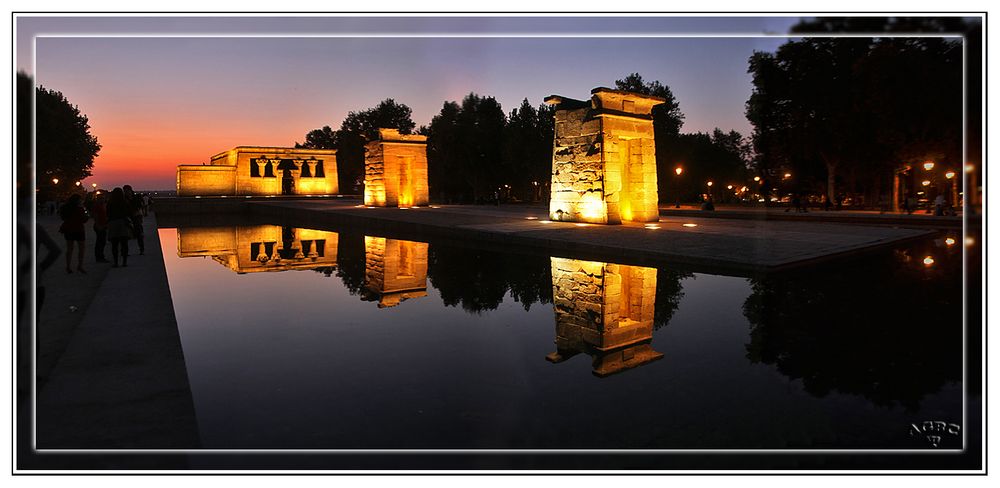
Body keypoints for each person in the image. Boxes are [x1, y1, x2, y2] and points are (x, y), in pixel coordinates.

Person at [58, 194, 88, 273]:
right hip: (79, 229)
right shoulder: (80, 209)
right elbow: (84, 220)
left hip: (68, 229)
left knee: (69, 249)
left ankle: (68, 266)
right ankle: (80, 266)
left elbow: (63, 218)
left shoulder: (65, 208)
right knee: (81, 248)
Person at [107, 187, 132, 267]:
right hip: (123, 223)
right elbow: (129, 212)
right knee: (124, 243)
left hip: (113, 223)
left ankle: (116, 262)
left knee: (114, 245)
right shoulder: (125, 202)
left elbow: (108, 213)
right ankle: (124, 262)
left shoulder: (110, 202)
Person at [123, 185, 145, 255]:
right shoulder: (123, 199)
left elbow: (139, 206)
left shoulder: (135, 198)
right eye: (125, 191)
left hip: (135, 217)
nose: (126, 192)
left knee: (138, 234)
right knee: (125, 235)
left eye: (127, 190)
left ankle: (141, 249)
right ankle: (124, 251)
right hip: (127, 218)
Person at [90, 192, 109, 262]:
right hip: (99, 226)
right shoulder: (97, 206)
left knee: (102, 242)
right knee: (100, 242)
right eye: (101, 198)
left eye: (103, 198)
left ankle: (101, 256)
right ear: (98, 199)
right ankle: (99, 257)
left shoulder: (103, 205)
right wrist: (98, 225)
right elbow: (95, 216)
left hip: (103, 225)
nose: (103, 200)